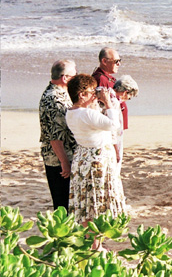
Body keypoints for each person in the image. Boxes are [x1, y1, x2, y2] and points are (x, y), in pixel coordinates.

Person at [65, 74, 126, 227]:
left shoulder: (71, 112)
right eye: (92, 92)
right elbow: (113, 124)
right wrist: (107, 103)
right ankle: (95, 243)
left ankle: (90, 239)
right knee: (97, 202)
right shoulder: (87, 114)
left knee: (86, 201)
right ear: (82, 95)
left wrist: (96, 102)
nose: (94, 95)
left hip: (83, 157)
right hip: (97, 159)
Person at [39, 59, 77, 211]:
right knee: (62, 205)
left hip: (62, 157)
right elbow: (55, 137)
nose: (77, 78)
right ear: (65, 78)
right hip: (58, 160)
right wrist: (65, 162)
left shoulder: (60, 93)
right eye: (74, 76)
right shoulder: (54, 99)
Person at [92, 47, 125, 161]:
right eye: (116, 61)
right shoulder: (101, 80)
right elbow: (104, 113)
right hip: (110, 132)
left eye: (120, 60)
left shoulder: (107, 78)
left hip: (115, 129)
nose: (119, 64)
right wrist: (114, 145)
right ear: (104, 61)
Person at [112, 75, 139, 168]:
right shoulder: (113, 103)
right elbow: (111, 130)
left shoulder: (110, 99)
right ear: (125, 92)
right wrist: (116, 150)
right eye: (129, 97)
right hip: (113, 142)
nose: (127, 100)